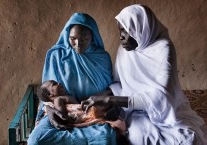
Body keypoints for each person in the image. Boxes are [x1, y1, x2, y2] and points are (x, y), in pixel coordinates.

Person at [81, 4, 207, 145]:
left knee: (188, 138)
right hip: (134, 109)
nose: (121, 37)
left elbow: (162, 96)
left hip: (166, 110)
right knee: (138, 137)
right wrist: (99, 96)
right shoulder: (124, 50)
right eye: (119, 31)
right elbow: (120, 83)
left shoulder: (163, 48)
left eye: (126, 30)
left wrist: (110, 100)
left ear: (141, 28)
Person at [28, 13, 117, 145]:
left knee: (106, 138)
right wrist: (51, 112)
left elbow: (110, 90)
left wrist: (98, 102)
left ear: (93, 36)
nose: (78, 43)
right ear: (66, 36)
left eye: (84, 38)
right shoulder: (56, 55)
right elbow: (47, 96)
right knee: (36, 140)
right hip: (61, 113)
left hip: (91, 114)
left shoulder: (102, 58)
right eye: (73, 38)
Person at [37, 80, 125, 130]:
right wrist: (68, 119)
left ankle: (110, 111)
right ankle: (110, 112)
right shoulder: (58, 99)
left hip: (82, 110)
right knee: (97, 107)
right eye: (54, 84)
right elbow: (61, 114)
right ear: (50, 95)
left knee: (98, 104)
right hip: (81, 114)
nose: (59, 83)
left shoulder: (63, 97)